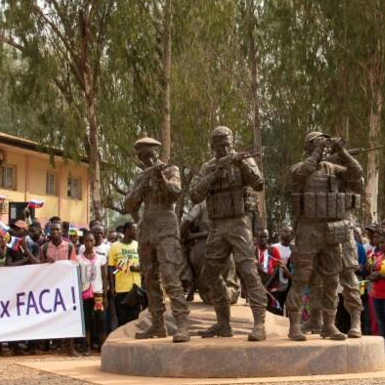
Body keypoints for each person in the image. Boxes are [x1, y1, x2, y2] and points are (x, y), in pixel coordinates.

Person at [189, 126, 269, 341]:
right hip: (216, 226)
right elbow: (195, 195)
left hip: (239, 223)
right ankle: (223, 324)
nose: (225, 148)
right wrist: (214, 176)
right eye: (220, 145)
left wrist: (241, 163)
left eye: (228, 144)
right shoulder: (208, 167)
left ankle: (259, 324)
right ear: (212, 147)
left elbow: (259, 184)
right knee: (209, 274)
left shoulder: (242, 160)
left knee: (248, 270)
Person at [285, 132, 365, 341]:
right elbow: (303, 172)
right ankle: (294, 324)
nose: (324, 147)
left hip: (331, 230)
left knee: (331, 279)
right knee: (302, 278)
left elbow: (356, 173)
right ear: (309, 147)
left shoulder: (333, 169)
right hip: (308, 229)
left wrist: (342, 151)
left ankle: (329, 324)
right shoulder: (299, 168)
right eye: (318, 143)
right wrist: (319, 150)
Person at [122, 137, 191, 342]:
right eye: (142, 155)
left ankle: (182, 325)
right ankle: (158, 325)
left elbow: (174, 193)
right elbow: (129, 205)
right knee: (150, 279)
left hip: (166, 227)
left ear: (156, 152)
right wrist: (145, 181)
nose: (146, 158)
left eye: (149, 154)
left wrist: (159, 175)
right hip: (146, 230)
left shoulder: (171, 170)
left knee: (171, 277)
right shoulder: (140, 176)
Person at [78, 230, 105, 355]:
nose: (89, 243)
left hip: (98, 292)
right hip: (84, 293)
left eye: (91, 240)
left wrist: (106, 291)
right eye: (86, 240)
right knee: (87, 319)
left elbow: (104, 276)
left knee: (100, 319)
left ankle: (102, 346)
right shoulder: (78, 259)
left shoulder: (101, 258)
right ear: (83, 242)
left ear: (94, 242)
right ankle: (87, 347)